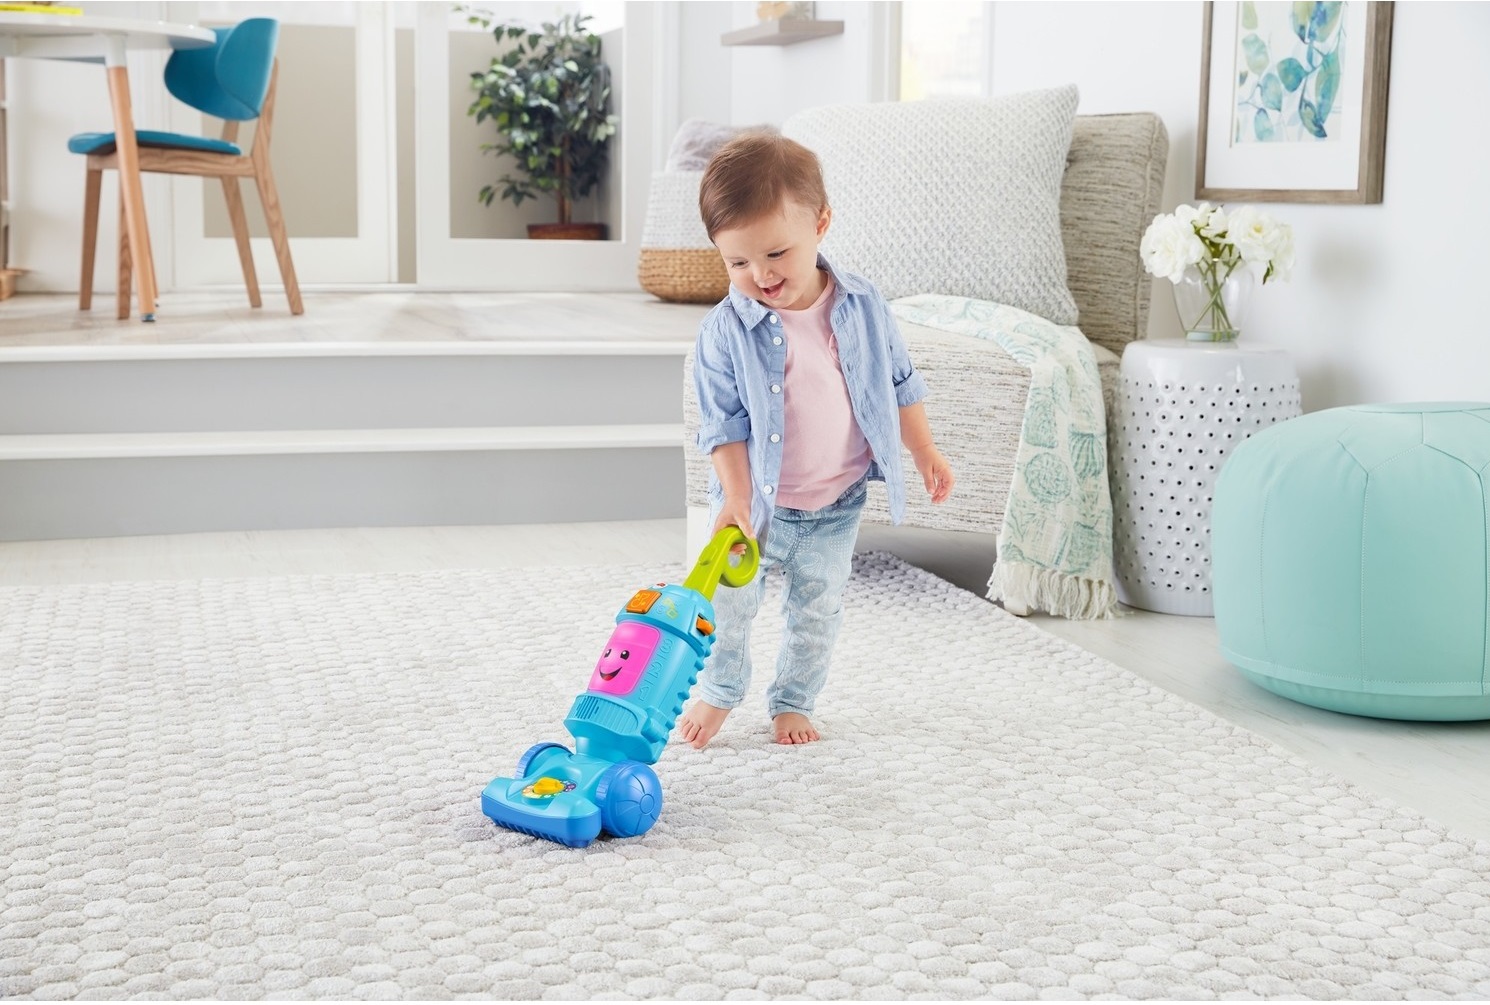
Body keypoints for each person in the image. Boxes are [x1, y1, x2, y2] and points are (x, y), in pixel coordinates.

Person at [679, 131, 954, 749]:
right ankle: (720, 690)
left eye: (776, 253)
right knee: (729, 606)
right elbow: (723, 425)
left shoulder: (862, 304)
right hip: (756, 505)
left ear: (821, 224)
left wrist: (923, 450)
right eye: (737, 263)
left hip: (837, 504)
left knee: (817, 610)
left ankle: (793, 702)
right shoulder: (723, 332)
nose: (760, 274)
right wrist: (737, 499)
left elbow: (899, 381)